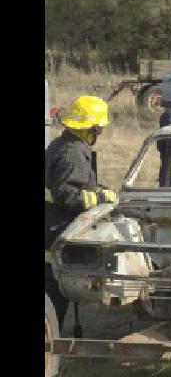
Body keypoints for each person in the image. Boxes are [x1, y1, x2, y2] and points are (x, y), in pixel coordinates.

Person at [45, 95, 117, 328]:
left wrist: (99, 189)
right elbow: (68, 195)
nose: (99, 134)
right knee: (55, 290)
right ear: (90, 128)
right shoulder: (72, 153)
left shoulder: (64, 144)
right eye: (99, 129)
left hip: (52, 224)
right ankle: (52, 342)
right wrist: (100, 197)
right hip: (56, 229)